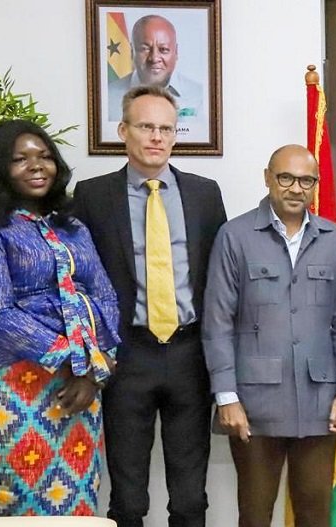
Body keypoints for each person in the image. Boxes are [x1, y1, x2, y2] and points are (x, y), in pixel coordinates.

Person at [73, 85, 226, 527]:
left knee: (190, 497)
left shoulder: (204, 194)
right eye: (145, 126)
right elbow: (75, 277)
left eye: (166, 128)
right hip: (126, 355)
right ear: (123, 131)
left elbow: (219, 277)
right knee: (127, 497)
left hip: (189, 354)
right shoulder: (91, 196)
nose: (156, 137)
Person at [0, 119, 119, 516]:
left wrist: (97, 368)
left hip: (80, 385)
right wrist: (75, 359)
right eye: (20, 159)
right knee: (16, 501)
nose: (37, 165)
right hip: (6, 384)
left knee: (75, 498)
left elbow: (104, 294)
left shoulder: (72, 228)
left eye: (44, 156)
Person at [202, 144, 336, 527]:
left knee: (314, 515)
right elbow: (217, 322)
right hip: (255, 407)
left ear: (315, 185)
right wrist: (227, 397)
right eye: (286, 178)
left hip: (319, 402)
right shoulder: (235, 236)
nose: (296, 189)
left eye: (306, 180)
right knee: (255, 515)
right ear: (268, 179)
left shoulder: (333, 238)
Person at [108, 14, 204, 122]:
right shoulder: (108, 98)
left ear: (176, 52)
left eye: (163, 49)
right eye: (145, 49)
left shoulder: (200, 96)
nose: (154, 58)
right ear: (132, 52)